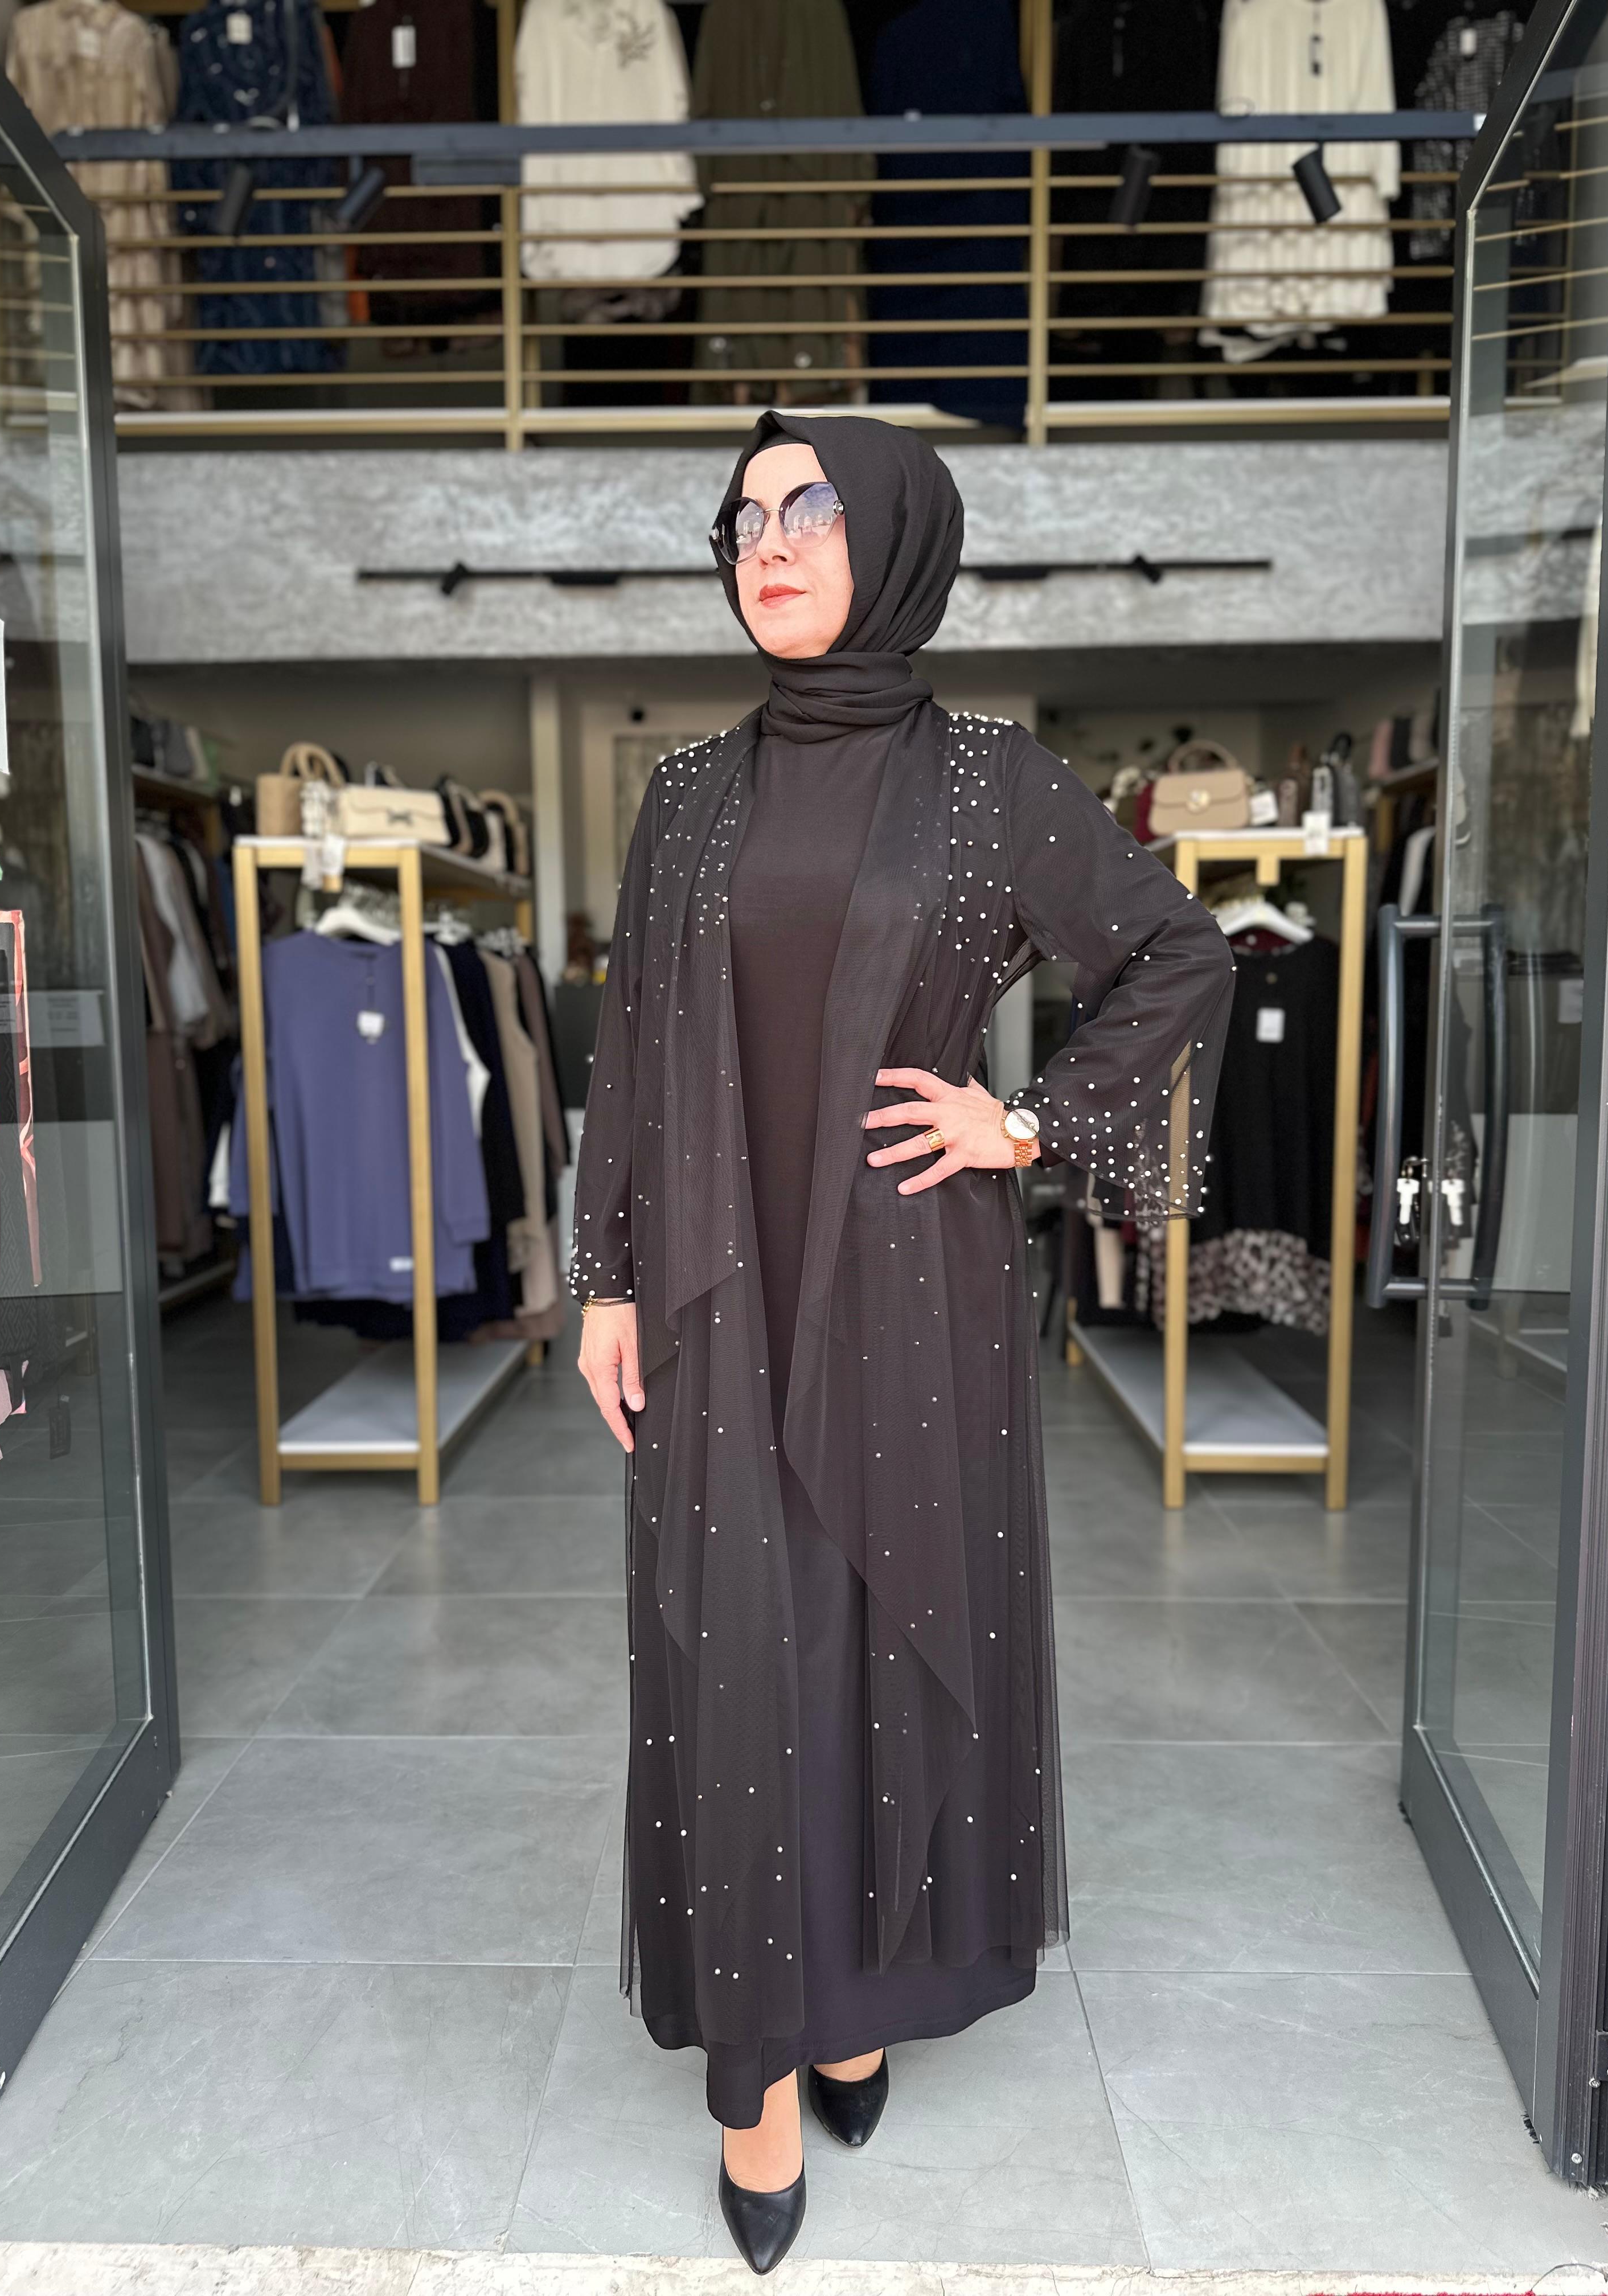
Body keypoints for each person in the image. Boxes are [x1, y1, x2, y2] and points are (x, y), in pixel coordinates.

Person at [572, 411, 1234, 2274]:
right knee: (736, 1654)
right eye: (742, 516)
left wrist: (1024, 1122)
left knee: (880, 1640)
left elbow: (1179, 952)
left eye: (809, 508)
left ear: (896, 536)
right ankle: (757, 2083)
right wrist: (606, 1278)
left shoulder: (992, 783)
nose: (768, 541)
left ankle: (857, 1995)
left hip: (911, 1293)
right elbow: (630, 1051)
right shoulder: (687, 791)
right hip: (716, 1292)